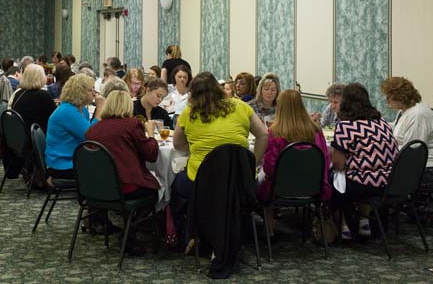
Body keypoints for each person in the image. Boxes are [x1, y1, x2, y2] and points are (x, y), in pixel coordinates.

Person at [171, 72, 268, 244]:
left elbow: (178, 144)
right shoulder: (240, 106)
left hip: (202, 182)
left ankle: (187, 235)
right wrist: (252, 163)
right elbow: (263, 135)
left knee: (177, 187)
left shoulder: (189, 113)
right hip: (240, 180)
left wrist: (195, 144)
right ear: (218, 88)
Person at [86, 90, 160, 256]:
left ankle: (128, 230)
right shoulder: (132, 125)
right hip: (125, 187)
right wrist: (150, 134)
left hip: (96, 188)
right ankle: (129, 233)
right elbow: (151, 154)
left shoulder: (93, 130)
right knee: (154, 191)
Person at [331, 83, 398, 240]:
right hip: (389, 183)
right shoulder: (382, 123)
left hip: (362, 186)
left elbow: (338, 165)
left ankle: (343, 225)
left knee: (333, 180)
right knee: (358, 174)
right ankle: (363, 222)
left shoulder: (345, 126)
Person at [258, 90, 331, 204]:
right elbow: (325, 160)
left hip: (281, 189)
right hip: (313, 187)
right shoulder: (316, 130)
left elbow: (269, 168)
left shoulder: (275, 132)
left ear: (280, 107)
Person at [382, 76, 433, 191]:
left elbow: (412, 149)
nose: (387, 102)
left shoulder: (417, 115)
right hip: (417, 166)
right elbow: (398, 129)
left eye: (389, 98)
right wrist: (379, 124)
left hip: (425, 170)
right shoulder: (406, 111)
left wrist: (385, 149)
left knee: (376, 180)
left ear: (399, 97)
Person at [45, 74, 99, 180]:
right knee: (108, 167)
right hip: (63, 165)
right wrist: (100, 108)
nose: (94, 93)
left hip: (72, 158)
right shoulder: (67, 111)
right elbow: (91, 136)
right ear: (80, 92)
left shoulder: (81, 110)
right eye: (90, 90)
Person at [10, 64, 56, 133]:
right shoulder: (43, 95)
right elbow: (55, 117)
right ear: (41, 78)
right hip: (36, 135)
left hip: (18, 134)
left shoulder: (18, 93)